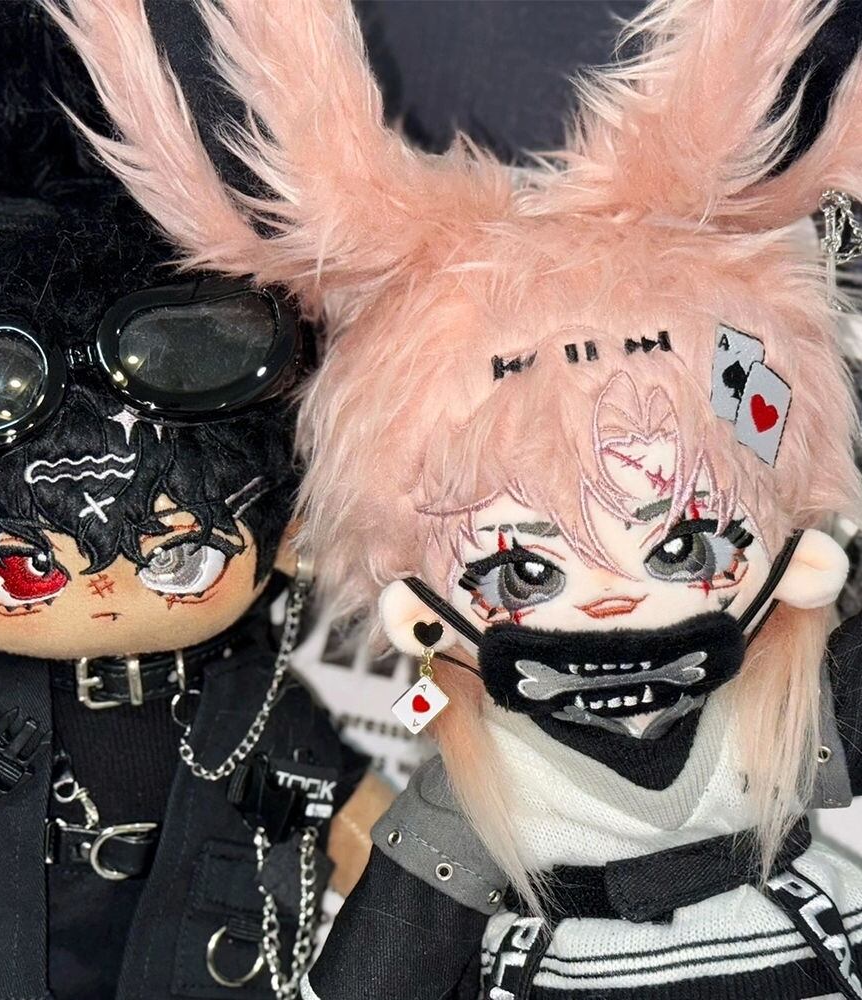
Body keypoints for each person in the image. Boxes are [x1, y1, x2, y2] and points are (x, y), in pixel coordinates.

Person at [54, 0, 862, 995]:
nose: (612, 600)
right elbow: (386, 959)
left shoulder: (787, 715)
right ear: (416, 599)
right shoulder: (482, 785)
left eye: (683, 547)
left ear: (797, 548)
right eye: (522, 569)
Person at [0, 3, 385, 997]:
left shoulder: (274, 696)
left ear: (287, 539)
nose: (102, 594)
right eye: (25, 567)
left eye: (178, 556)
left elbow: (377, 799)